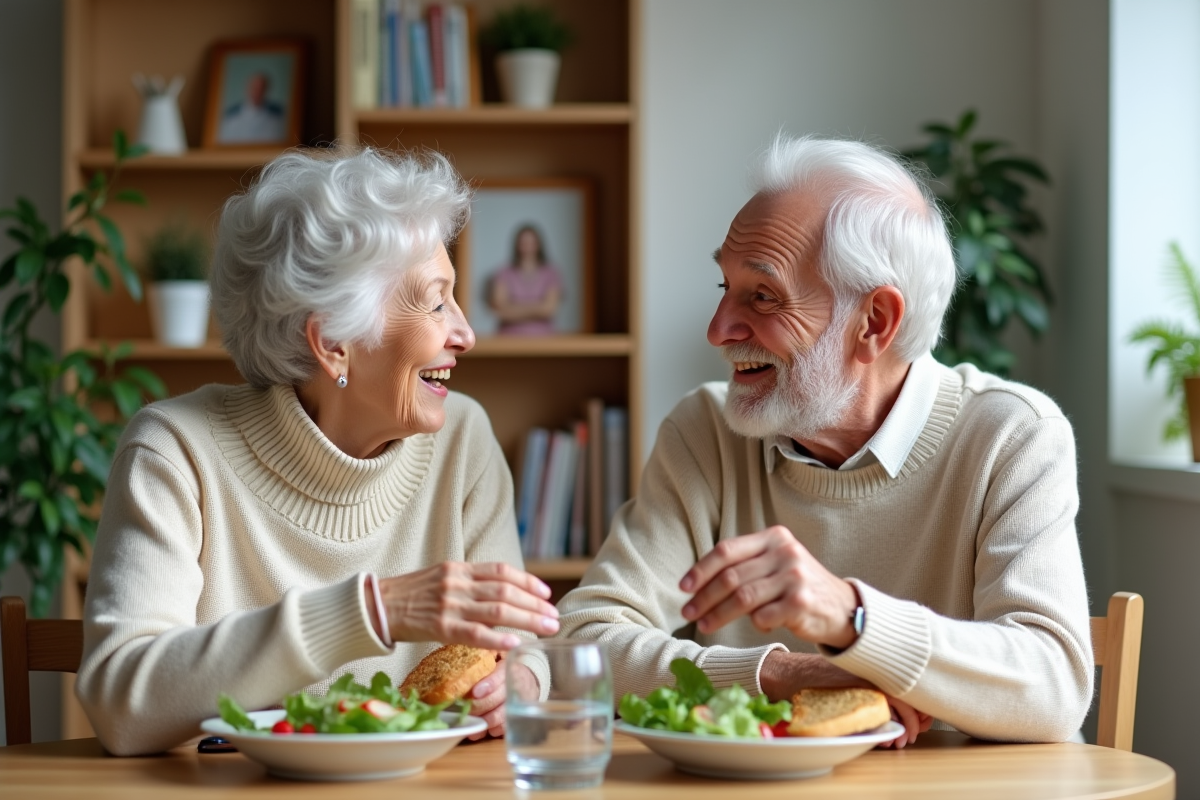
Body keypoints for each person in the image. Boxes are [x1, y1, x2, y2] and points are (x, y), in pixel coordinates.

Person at [556, 136, 1092, 747]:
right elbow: (582, 642)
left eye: (763, 295)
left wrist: (850, 617)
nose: (717, 330)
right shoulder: (706, 430)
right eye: (723, 288)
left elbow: (1054, 685)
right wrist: (778, 674)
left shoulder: (1012, 436)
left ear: (874, 322)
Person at [76, 148, 558, 756]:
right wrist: (371, 611)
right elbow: (121, 703)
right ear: (332, 342)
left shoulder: (463, 439)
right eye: (435, 302)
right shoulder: (176, 451)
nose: (465, 332)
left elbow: (512, 638)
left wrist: (519, 681)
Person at [488, 224, 563, 335]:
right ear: (517, 245)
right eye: (523, 242)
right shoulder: (504, 273)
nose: (527, 246)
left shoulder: (551, 273)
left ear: (538, 244)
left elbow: (549, 309)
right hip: (508, 338)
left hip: (544, 338)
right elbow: (500, 309)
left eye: (531, 242)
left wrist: (512, 309)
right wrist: (538, 308)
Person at [218, 71, 286, 144]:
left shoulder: (278, 115)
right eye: (254, 88)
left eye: (261, 88)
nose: (257, 92)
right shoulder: (231, 115)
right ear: (248, 88)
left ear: (266, 90)